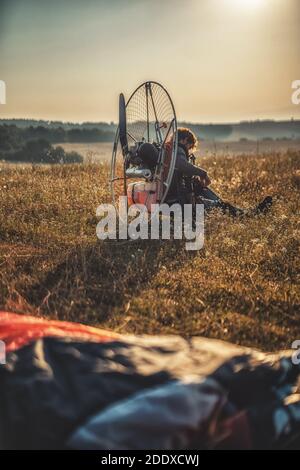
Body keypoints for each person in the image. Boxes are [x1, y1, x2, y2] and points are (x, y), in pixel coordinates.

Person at [164, 127, 273, 217]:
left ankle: (245, 211)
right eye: (190, 147)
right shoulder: (177, 149)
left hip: (177, 198)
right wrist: (203, 173)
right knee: (222, 207)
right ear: (184, 140)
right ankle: (250, 214)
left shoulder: (168, 152)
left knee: (212, 196)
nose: (188, 150)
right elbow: (181, 164)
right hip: (180, 201)